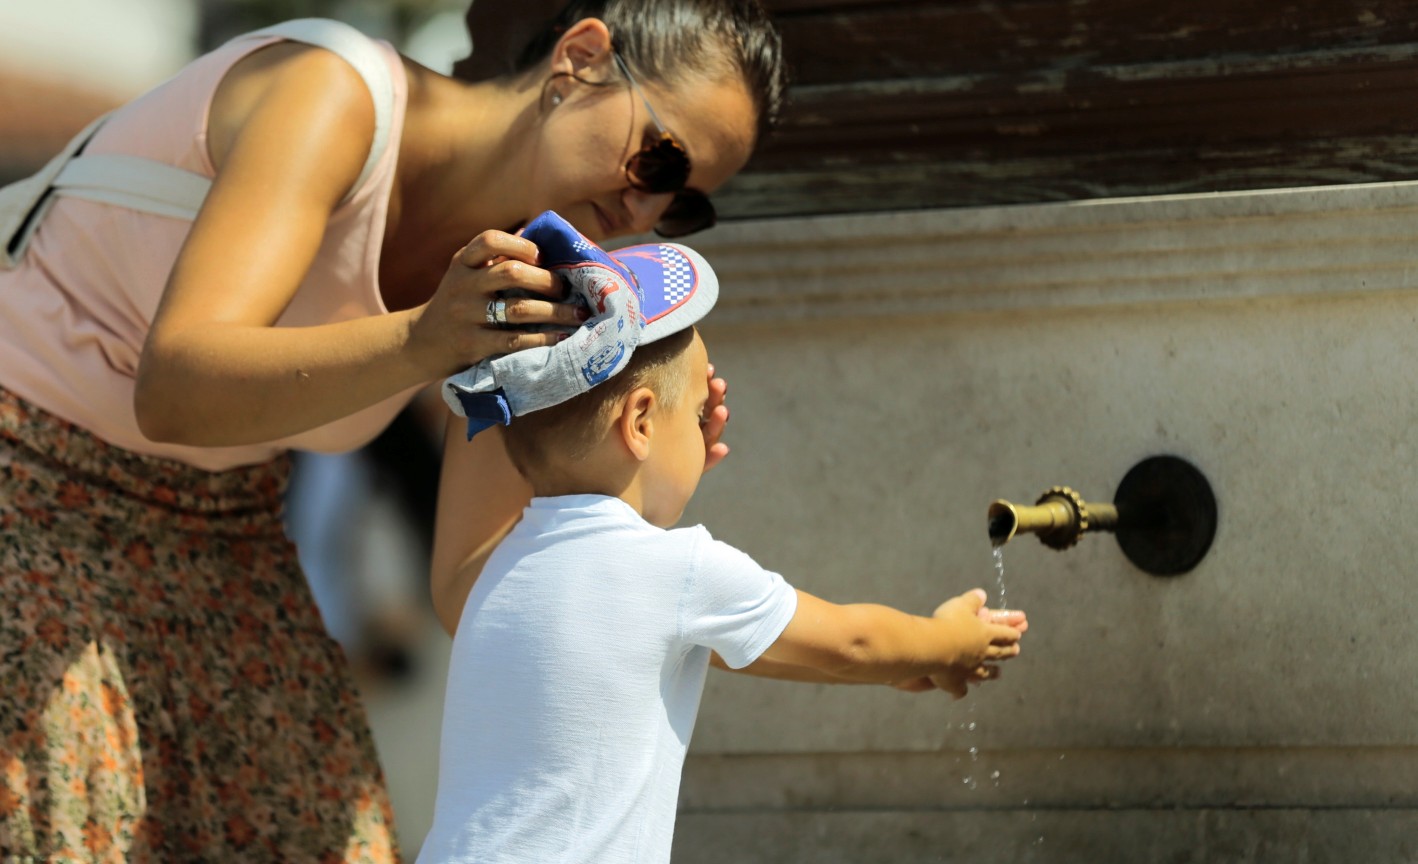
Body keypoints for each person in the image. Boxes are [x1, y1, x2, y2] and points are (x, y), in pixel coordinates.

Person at [0, 0, 787, 859]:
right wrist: (423, 339)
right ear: (583, 58)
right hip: (26, 483)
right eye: (658, 157)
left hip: (221, 532)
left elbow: (468, 589)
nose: (644, 208)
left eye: (683, 203)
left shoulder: (523, 277)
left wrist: (640, 488)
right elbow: (177, 387)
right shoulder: (332, 94)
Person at [415, 232, 1029, 862]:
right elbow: (851, 641)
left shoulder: (501, 570)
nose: (709, 427)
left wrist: (902, 662)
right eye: (698, 413)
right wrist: (951, 641)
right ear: (642, 423)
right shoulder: (678, 572)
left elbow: (713, 646)